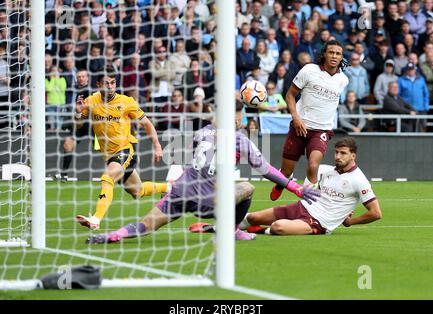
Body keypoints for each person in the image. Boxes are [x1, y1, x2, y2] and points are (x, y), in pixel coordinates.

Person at [85, 101, 320, 244]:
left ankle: (112, 235)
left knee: (146, 225)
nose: (241, 120)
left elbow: (192, 159)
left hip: (180, 192)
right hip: (208, 201)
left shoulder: (201, 132)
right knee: (247, 188)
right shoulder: (240, 140)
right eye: (240, 116)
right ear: (236, 117)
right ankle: (233, 231)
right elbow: (266, 170)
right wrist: (294, 187)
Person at [74, 66, 168, 231]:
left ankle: (95, 219)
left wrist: (157, 145)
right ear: (98, 84)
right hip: (109, 155)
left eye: (112, 83)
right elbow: (79, 125)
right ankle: (169, 188)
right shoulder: (91, 101)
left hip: (125, 150)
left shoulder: (126, 102)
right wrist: (78, 113)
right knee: (137, 191)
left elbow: (146, 123)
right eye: (106, 83)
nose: (110, 87)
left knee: (107, 178)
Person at [241, 137, 382, 236]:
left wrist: (350, 221)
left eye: (343, 153)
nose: (338, 156)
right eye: (336, 152)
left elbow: (376, 213)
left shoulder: (359, 180)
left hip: (319, 222)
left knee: (278, 227)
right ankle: (224, 228)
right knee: (253, 217)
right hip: (302, 207)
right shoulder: (327, 172)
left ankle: (259, 230)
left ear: (353, 156)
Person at [269, 40, 349, 201]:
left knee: (313, 165)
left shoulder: (343, 80)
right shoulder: (309, 70)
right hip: (300, 126)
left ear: (341, 58)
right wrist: (296, 118)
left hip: (321, 130)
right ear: (324, 54)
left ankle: (309, 203)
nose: (334, 56)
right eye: (331, 52)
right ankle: (282, 182)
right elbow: (290, 95)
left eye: (338, 53)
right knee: (285, 172)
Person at [51, 70, 92, 182]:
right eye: (79, 77)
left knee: (106, 149)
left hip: (94, 125)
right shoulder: (74, 90)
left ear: (87, 78)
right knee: (67, 145)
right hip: (79, 124)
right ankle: (64, 175)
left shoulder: (91, 91)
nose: (81, 78)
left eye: (83, 76)